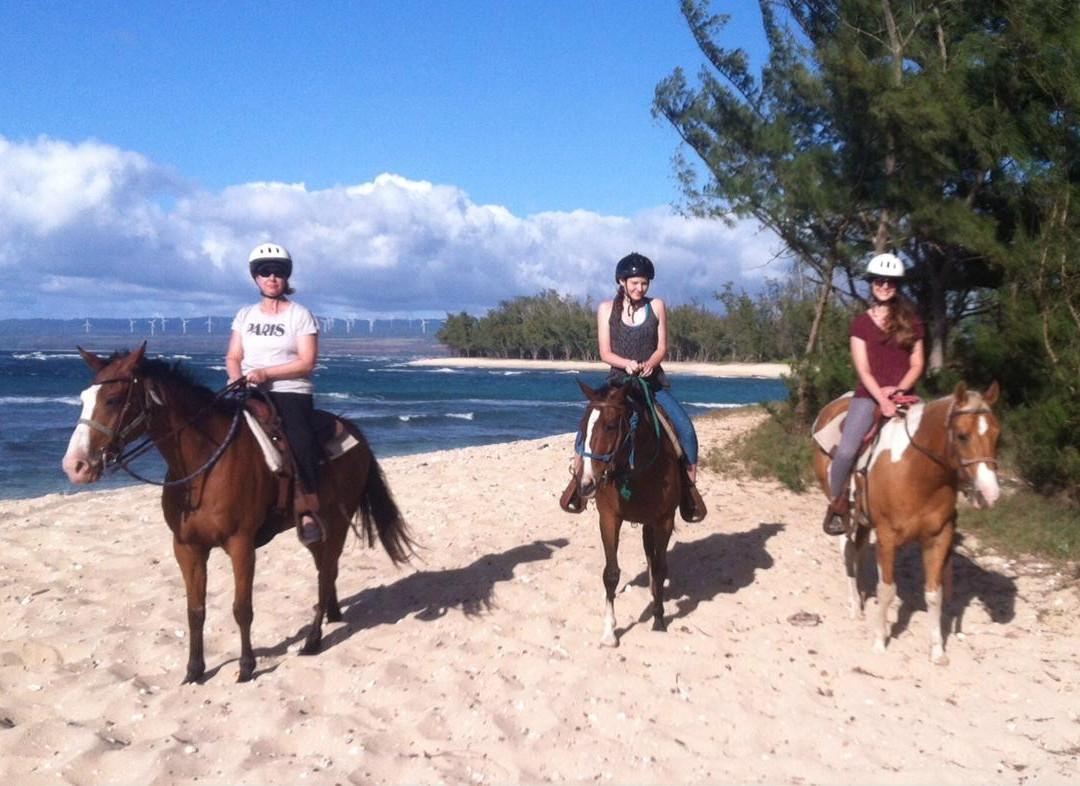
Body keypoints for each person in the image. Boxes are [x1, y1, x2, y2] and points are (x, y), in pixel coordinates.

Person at [561, 252, 706, 521]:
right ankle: (577, 482)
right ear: (622, 282)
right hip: (618, 382)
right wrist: (626, 363)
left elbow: (661, 347)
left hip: (651, 383)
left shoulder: (658, 306)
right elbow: (605, 352)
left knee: (685, 428)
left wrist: (651, 362)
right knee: (588, 426)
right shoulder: (606, 309)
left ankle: (689, 490)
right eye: (635, 283)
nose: (640, 288)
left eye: (644, 284)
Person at [226, 242, 323, 545]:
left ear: (286, 278)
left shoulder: (300, 315)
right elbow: (233, 356)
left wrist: (267, 373)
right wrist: (236, 379)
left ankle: (308, 509)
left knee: (299, 437)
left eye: (278, 273)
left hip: (289, 389)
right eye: (265, 272)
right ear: (255, 277)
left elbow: (307, 362)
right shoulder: (245, 315)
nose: (271, 277)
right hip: (249, 389)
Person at [823, 252, 925, 535]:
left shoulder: (912, 321)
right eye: (879, 280)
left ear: (897, 285)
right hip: (869, 396)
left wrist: (900, 390)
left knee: (937, 441)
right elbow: (864, 370)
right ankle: (837, 505)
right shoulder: (861, 324)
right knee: (845, 452)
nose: (884, 285)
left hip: (906, 395)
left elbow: (918, 363)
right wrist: (882, 399)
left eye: (890, 281)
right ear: (871, 283)